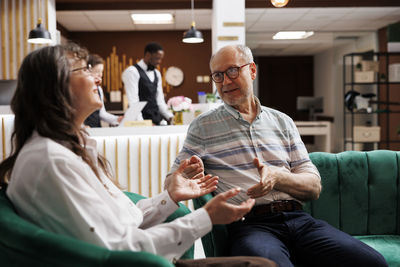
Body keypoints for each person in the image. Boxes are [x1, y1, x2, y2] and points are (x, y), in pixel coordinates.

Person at [0, 43, 277, 267]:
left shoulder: (70, 150)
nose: (98, 77)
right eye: (85, 69)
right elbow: (118, 249)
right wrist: (206, 217)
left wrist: (171, 198)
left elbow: (125, 220)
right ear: (56, 85)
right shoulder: (51, 160)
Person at [167, 45, 388, 267]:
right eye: (218, 75)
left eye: (232, 71)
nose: (225, 81)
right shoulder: (202, 127)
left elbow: (314, 186)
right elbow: (172, 182)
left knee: (373, 262)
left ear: (252, 70)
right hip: (251, 225)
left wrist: (278, 177)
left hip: (300, 221)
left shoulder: (283, 121)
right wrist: (183, 176)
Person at [122, 42, 173, 125]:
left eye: (161, 59)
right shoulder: (132, 71)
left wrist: (171, 117)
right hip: (140, 121)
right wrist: (143, 124)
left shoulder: (157, 73)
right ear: (148, 55)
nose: (159, 62)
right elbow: (133, 102)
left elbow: (160, 101)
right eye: (157, 58)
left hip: (156, 120)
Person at [84, 54, 123, 127]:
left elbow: (102, 113)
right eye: (97, 71)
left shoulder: (99, 89)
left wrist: (117, 119)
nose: (100, 75)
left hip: (97, 128)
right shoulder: (80, 89)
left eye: (101, 71)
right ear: (87, 71)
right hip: (84, 130)